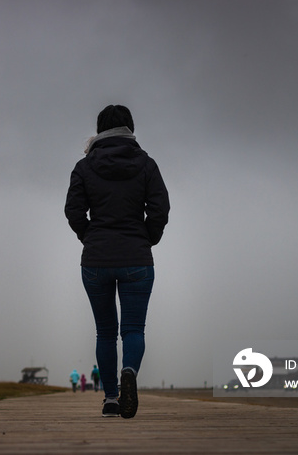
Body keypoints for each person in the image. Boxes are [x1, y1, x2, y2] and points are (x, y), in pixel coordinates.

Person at [65, 105, 170, 419]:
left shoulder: (84, 167)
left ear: (99, 131)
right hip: (136, 257)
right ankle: (129, 372)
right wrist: (146, 238)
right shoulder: (147, 165)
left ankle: (111, 397)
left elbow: (73, 211)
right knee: (134, 330)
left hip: (96, 260)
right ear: (131, 128)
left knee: (105, 332)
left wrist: (90, 237)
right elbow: (160, 209)